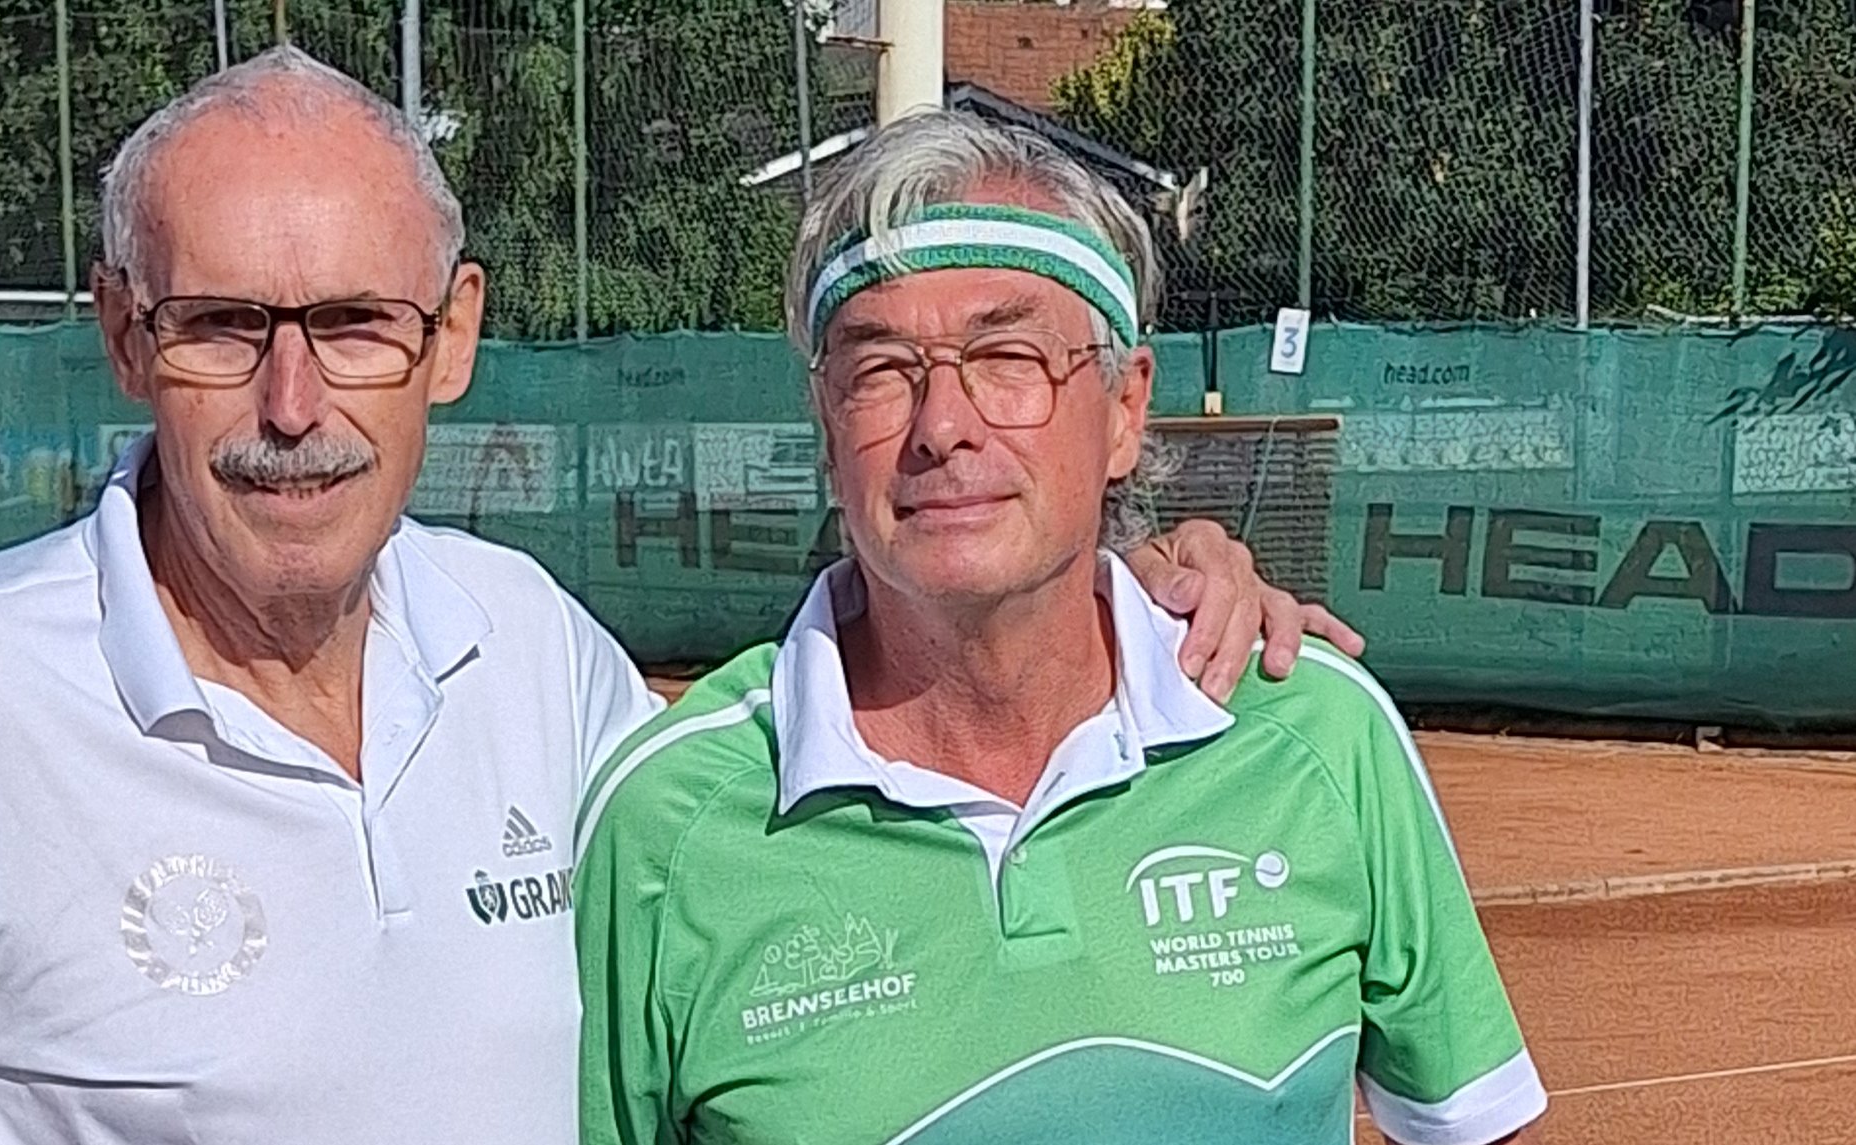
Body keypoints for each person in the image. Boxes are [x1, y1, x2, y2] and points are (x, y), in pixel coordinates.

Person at [0, 50, 1359, 1145]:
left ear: (450, 337)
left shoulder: (531, 651)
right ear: (121, 335)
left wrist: (1114, 594)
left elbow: (767, 841)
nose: (294, 404)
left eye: (356, 326)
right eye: (222, 326)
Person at [575, 109, 1544, 1145]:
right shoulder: (663, 821)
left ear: (1124, 409)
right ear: (824, 424)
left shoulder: (1318, 729)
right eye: (879, 370)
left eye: (1007, 357)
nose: (942, 426)